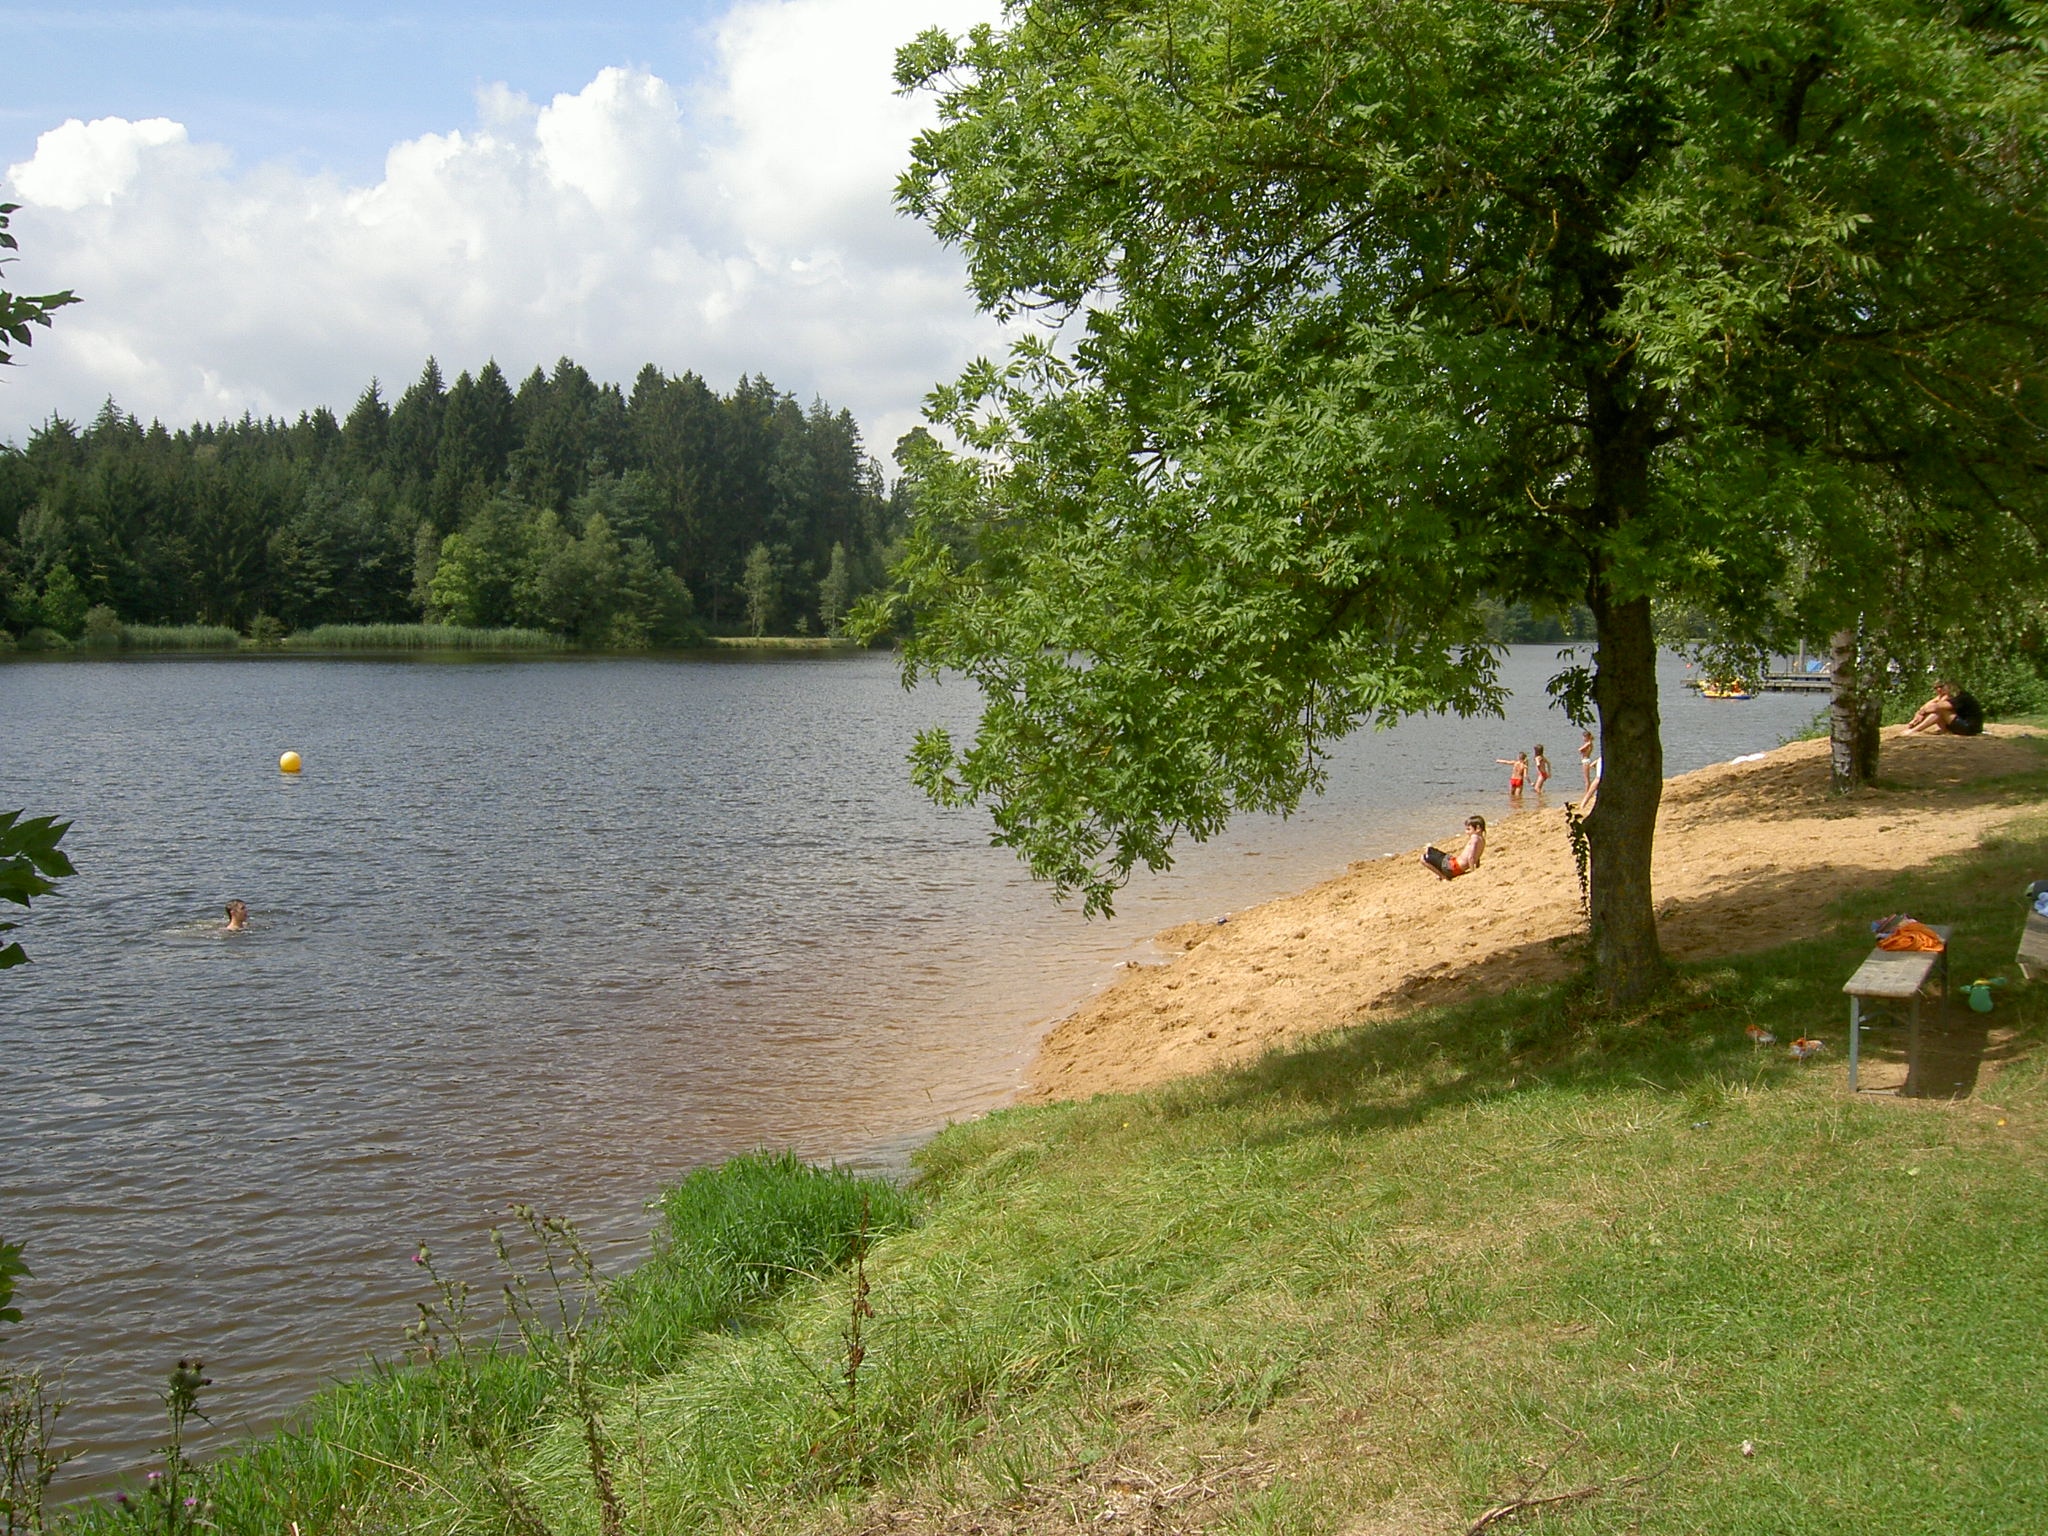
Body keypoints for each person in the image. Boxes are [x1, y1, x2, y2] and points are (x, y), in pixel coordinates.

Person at [1904, 682, 1986, 736]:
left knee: (1940, 711)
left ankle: (1915, 730)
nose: (1939, 689)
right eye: (1936, 688)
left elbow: (1935, 707)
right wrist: (1920, 712)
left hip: (1970, 728)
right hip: (1965, 725)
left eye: (1942, 686)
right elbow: (1929, 705)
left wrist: (1922, 712)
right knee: (1939, 710)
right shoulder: (1951, 696)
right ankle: (1945, 731)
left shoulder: (1962, 697)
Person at [1422, 816, 1486, 880]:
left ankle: (1443, 877)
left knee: (1423, 859)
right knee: (1429, 850)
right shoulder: (1482, 840)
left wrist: (1473, 872)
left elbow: (1471, 857)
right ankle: (1441, 873)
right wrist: (1477, 866)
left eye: (1468, 829)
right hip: (1453, 863)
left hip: (1453, 868)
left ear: (1478, 828)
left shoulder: (1474, 839)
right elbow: (1477, 855)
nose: (1466, 832)